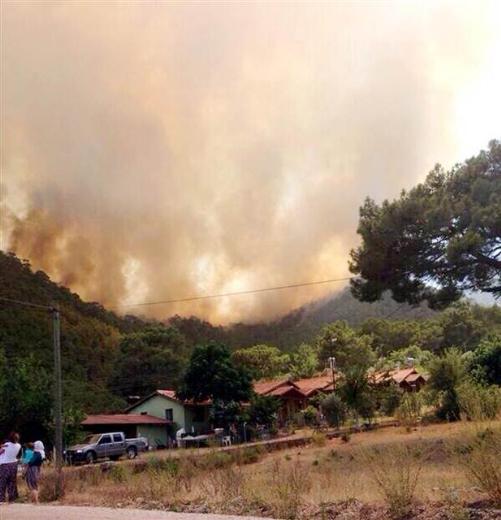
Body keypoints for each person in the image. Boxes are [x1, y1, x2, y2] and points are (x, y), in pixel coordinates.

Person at [0, 432, 21, 503]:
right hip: (14, 464)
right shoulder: (19, 445)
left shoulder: (6, 445)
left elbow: (1, 451)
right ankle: (11, 499)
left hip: (5, 464)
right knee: (12, 482)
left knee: (2, 481)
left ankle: (1, 499)